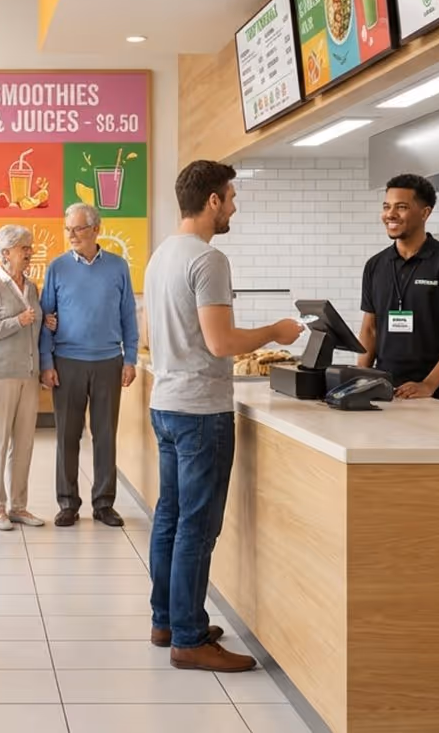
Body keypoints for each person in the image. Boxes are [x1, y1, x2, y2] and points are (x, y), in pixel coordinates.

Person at [145, 160, 303, 674]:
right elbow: (222, 343)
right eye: (231, 197)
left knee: (169, 517)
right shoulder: (209, 260)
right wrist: (276, 331)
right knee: (197, 525)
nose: (234, 206)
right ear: (212, 200)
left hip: (166, 403)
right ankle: (189, 638)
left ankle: (167, 618)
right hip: (200, 411)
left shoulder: (161, 254)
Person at [39, 202, 138, 528]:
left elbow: (128, 316)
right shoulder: (56, 268)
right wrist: (46, 361)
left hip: (109, 361)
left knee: (105, 435)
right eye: (67, 228)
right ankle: (67, 503)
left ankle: (103, 503)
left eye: (77, 228)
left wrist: (131, 357)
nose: (71, 235)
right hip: (67, 362)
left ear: (96, 229)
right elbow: (44, 319)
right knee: (67, 436)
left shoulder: (118, 267)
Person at [356, 174, 439, 403]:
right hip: (385, 391)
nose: (390, 214)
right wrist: (359, 379)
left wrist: (428, 385)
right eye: (386, 206)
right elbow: (369, 330)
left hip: (437, 394)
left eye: (401, 207)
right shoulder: (375, 265)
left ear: (425, 213)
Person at [0, 225, 45, 532]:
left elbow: (34, 325)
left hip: (28, 375)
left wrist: (46, 320)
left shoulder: (31, 288)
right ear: (5, 254)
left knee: (25, 444)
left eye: (30, 247)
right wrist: (18, 321)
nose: (29, 252)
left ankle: (19, 506)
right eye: (23, 248)